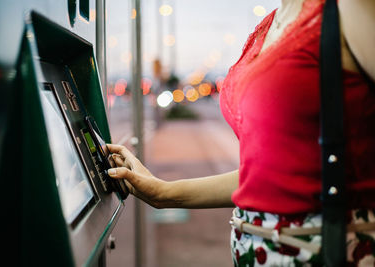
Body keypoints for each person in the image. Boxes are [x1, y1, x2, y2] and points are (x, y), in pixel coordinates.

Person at [106, 0, 375, 265]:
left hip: (332, 251)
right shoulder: (269, 26)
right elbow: (266, 177)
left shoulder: (347, 7)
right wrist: (163, 193)